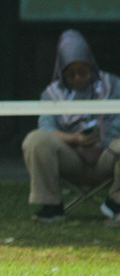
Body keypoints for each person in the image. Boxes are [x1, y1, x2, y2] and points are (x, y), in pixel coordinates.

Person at [21, 29, 120, 223]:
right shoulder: (52, 93)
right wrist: (74, 139)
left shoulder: (114, 85)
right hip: (71, 157)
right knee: (36, 140)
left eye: (83, 72)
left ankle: (115, 202)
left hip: (107, 154)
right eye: (70, 74)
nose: (77, 78)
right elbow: (46, 128)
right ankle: (51, 205)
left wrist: (102, 135)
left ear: (91, 66)